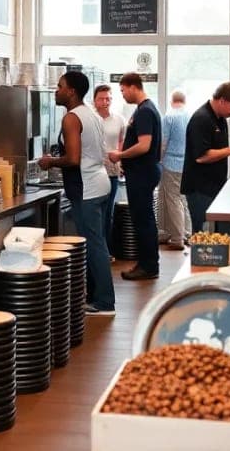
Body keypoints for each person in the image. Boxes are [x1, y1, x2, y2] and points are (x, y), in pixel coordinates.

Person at [38, 72, 115, 316]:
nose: (56, 91)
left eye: (59, 87)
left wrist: (50, 161)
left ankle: (104, 302)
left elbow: (72, 159)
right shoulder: (90, 113)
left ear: (71, 91)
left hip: (87, 188)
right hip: (100, 183)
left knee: (94, 245)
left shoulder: (72, 118)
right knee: (97, 242)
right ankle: (93, 296)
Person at [108, 73, 162, 280]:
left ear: (133, 87)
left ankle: (148, 266)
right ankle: (147, 263)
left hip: (142, 173)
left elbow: (144, 145)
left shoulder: (145, 112)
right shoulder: (144, 110)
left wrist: (119, 155)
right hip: (141, 171)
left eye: (122, 91)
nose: (122, 95)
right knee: (143, 219)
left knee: (143, 220)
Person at [181, 82, 230, 234]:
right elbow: (201, 156)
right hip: (200, 188)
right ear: (222, 100)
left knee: (213, 232)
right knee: (203, 234)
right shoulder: (202, 119)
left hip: (214, 186)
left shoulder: (221, 119)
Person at [93, 84, 125, 256]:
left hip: (112, 170)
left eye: (108, 98)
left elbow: (121, 142)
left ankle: (106, 250)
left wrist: (121, 161)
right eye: (101, 99)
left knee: (108, 212)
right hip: (92, 172)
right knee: (94, 213)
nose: (105, 102)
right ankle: (94, 251)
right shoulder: (89, 119)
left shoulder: (119, 119)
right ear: (94, 100)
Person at [158, 90, 191, 250]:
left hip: (171, 163)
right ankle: (188, 233)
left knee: (173, 200)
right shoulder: (190, 116)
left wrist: (158, 159)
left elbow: (163, 142)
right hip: (187, 164)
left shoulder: (169, 117)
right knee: (183, 199)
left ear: (172, 101)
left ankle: (177, 238)